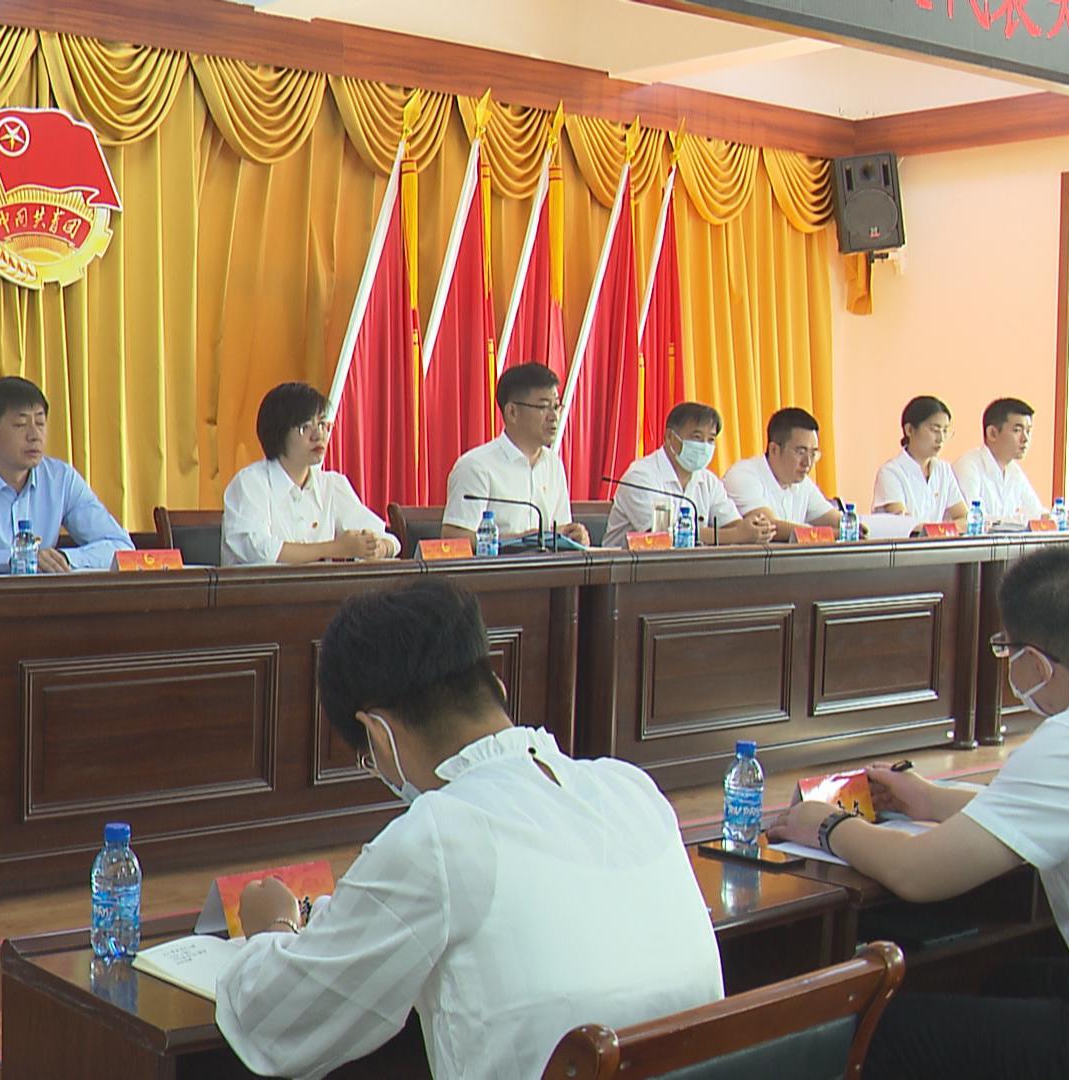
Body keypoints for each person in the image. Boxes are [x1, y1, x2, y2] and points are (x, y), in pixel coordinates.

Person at [215, 578, 723, 1079]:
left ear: (379, 735)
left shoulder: (439, 834)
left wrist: (273, 927)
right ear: (497, 689)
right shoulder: (632, 789)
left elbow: (276, 1025)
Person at [771, 546, 1069, 1078]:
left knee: (878, 1033)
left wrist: (828, 825)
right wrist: (931, 800)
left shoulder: (1068, 742)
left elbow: (918, 872)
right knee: (1006, 980)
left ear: (1035, 662)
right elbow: (1040, 814)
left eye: (1007, 651)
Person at [0, 376, 133, 575]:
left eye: (40, 423)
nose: (35, 436)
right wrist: (17, 559)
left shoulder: (61, 479)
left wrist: (62, 559)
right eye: (21, 425)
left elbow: (121, 547)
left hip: (45, 599)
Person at [220, 382, 398, 565]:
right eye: (305, 426)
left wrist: (377, 547)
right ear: (278, 432)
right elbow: (259, 552)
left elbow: (390, 540)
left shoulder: (332, 485)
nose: (319, 435)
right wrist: (335, 548)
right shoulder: (250, 483)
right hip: (262, 585)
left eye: (322, 424)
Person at [441, 362, 588, 547]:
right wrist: (523, 540)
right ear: (512, 412)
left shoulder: (553, 464)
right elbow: (453, 539)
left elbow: (561, 531)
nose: (554, 416)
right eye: (543, 407)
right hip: (496, 566)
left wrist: (574, 537)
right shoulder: (476, 467)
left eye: (556, 406)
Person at [602, 402, 773, 548]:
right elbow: (661, 538)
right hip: (625, 571)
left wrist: (754, 529)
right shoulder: (640, 477)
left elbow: (732, 524)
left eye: (711, 440)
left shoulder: (708, 480)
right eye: (697, 437)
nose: (704, 446)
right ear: (670, 437)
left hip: (690, 570)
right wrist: (737, 535)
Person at [722, 407, 842, 540]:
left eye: (813, 454)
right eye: (800, 452)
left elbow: (836, 520)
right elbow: (770, 528)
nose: (807, 462)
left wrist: (853, 527)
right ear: (774, 449)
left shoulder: (803, 483)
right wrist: (836, 535)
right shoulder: (743, 475)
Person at [953, 398, 1059, 528]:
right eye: (1017, 430)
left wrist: (1057, 517)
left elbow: (1036, 513)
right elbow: (975, 520)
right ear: (992, 433)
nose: (1025, 439)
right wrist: (1020, 520)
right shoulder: (968, 466)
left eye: (1028, 431)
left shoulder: (1014, 470)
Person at [872, 395, 968, 529]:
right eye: (934, 430)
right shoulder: (891, 473)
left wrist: (939, 531)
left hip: (937, 541)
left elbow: (965, 517)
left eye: (945, 431)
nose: (941, 438)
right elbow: (904, 525)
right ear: (909, 430)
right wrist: (943, 530)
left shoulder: (943, 470)